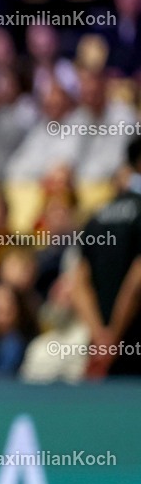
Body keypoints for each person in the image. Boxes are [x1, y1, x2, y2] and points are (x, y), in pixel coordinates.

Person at [72, 136, 141, 377]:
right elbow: (137, 278)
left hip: (105, 348)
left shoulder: (96, 217)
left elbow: (78, 281)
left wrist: (101, 336)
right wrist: (115, 334)